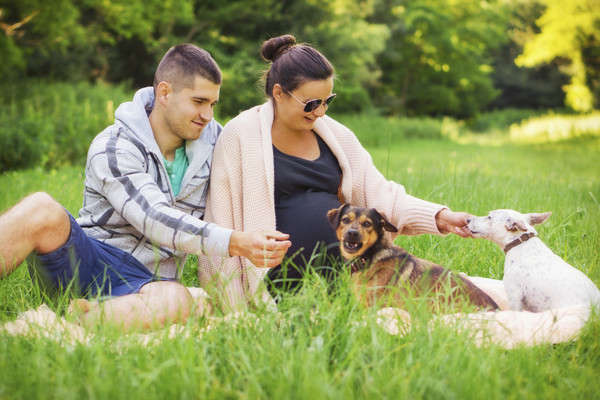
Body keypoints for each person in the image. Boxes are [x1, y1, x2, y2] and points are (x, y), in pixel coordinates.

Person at [0, 43, 290, 331]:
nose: (207, 115)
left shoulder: (217, 142)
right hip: (91, 261)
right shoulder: (113, 146)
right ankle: (88, 315)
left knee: (177, 299)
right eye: (198, 102)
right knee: (40, 208)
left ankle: (76, 320)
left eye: (212, 104)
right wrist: (236, 241)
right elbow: (154, 218)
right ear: (165, 93)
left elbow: (256, 172)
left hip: (149, 284)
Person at [200, 35, 475, 309]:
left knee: (453, 295)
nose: (320, 112)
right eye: (311, 104)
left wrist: (440, 217)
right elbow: (221, 220)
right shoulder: (240, 134)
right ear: (279, 93)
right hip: (276, 284)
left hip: (353, 279)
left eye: (327, 100)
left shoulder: (335, 134)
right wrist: (231, 305)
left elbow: (380, 194)